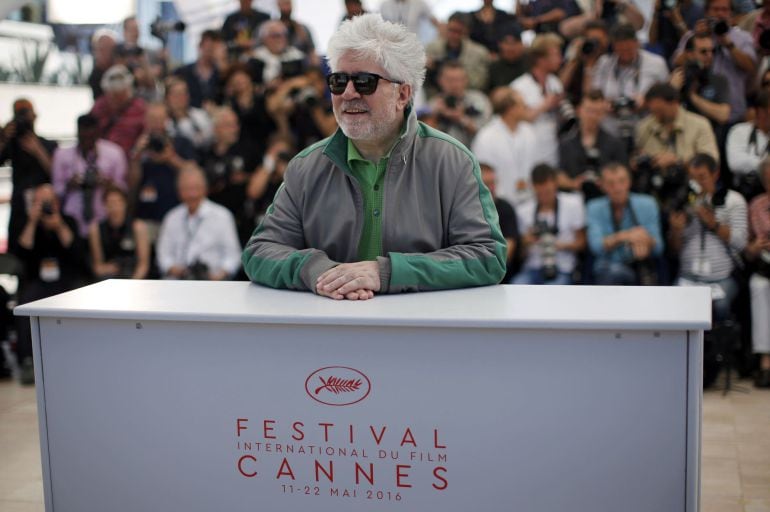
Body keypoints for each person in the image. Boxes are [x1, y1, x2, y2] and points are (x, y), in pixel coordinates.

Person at [242, 13, 506, 300]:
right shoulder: (306, 167)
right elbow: (260, 251)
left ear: (403, 94)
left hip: (423, 334)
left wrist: (388, 272)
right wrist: (318, 271)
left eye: (365, 82)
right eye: (339, 81)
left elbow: (487, 256)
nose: (349, 93)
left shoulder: (452, 161)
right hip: (330, 332)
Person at [14, 185, 88, 384]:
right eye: (40, 202)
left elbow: (77, 252)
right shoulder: (29, 223)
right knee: (25, 303)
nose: (45, 207)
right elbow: (21, 252)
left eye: (48, 202)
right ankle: (28, 360)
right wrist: (32, 221)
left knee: (76, 304)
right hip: (39, 281)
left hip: (65, 281)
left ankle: (77, 358)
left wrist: (59, 226)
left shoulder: (68, 221)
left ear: (57, 202)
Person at [669, 153, 747, 322]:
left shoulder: (733, 200)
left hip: (722, 279)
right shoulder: (682, 204)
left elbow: (741, 243)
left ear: (715, 174)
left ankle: (721, 347)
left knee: (719, 306)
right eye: (692, 178)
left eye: (702, 177)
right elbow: (674, 251)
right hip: (687, 278)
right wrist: (676, 231)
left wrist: (714, 224)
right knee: (672, 307)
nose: (697, 184)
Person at [635, 83, 719, 205]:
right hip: (655, 190)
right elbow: (638, 156)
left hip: (691, 189)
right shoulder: (644, 127)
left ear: (674, 103)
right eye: (653, 111)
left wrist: (677, 161)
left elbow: (711, 160)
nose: (656, 116)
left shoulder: (700, 125)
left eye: (660, 111)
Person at [156, 165, 242, 280]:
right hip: (177, 283)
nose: (192, 194)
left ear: (205, 188)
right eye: (186, 188)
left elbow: (233, 256)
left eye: (196, 188)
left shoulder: (222, 216)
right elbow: (163, 256)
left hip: (213, 284)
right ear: (179, 191)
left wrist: (217, 276)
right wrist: (177, 270)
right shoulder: (172, 217)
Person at [51, 114, 128, 239]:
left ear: (97, 133)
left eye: (91, 137)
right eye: (83, 136)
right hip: (72, 216)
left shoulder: (114, 153)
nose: (87, 140)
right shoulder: (62, 155)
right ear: (77, 133)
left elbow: (123, 190)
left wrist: (108, 184)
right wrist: (69, 185)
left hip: (104, 217)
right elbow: (56, 190)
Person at [590, 23, 670, 141]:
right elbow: (594, 94)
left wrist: (647, 102)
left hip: (646, 127)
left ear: (637, 43)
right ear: (613, 46)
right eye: (620, 49)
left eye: (629, 49)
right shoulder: (604, 63)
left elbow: (667, 97)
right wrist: (605, 103)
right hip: (611, 127)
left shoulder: (656, 63)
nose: (625, 53)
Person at [586, 163, 664, 285]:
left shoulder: (648, 204)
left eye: (622, 181)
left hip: (640, 267)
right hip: (607, 269)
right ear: (602, 186)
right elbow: (596, 246)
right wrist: (626, 236)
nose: (617, 188)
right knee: (612, 272)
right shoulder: (594, 207)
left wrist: (646, 241)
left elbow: (659, 247)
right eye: (611, 184)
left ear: (629, 182)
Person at [130, 103, 196, 241]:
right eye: (152, 119)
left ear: (167, 120)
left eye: (160, 119)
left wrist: (171, 157)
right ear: (146, 121)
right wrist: (136, 156)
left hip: (177, 212)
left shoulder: (181, 142)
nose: (156, 123)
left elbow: (194, 173)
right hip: (147, 215)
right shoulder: (140, 145)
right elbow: (132, 182)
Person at [0, 99, 57, 255]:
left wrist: (37, 151)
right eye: (20, 115)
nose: (24, 119)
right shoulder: (11, 145)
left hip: (44, 206)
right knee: (18, 252)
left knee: (46, 251)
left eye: (26, 114)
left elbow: (57, 174)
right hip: (19, 208)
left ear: (35, 116)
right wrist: (4, 138)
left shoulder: (47, 144)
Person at [512, 164, 586, 285]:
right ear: (533, 187)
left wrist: (559, 245)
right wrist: (526, 242)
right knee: (517, 285)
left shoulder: (573, 203)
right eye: (539, 192)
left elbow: (582, 243)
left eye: (547, 191)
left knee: (554, 290)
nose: (544, 196)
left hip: (563, 268)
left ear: (555, 184)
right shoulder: (523, 210)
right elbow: (520, 255)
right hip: (533, 267)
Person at [471, 87, 537, 207]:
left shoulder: (529, 132)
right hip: (500, 206)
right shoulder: (486, 137)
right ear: (511, 109)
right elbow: (483, 175)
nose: (526, 107)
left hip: (530, 202)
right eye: (522, 104)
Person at [558, 89, 627, 197]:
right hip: (574, 199)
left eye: (598, 112)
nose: (593, 116)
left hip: (605, 199)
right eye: (589, 111)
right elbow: (559, 174)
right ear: (579, 110)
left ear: (604, 114)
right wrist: (574, 183)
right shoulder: (566, 143)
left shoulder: (615, 143)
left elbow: (624, 175)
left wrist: (607, 182)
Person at [511, 33, 565, 167]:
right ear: (541, 59)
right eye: (555, 55)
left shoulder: (555, 82)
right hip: (528, 152)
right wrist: (546, 104)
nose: (560, 59)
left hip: (552, 150)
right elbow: (518, 118)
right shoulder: (519, 86)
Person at [669, 31, 730, 137]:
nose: (709, 55)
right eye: (703, 52)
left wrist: (693, 97)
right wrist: (672, 90)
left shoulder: (719, 80)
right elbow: (663, 115)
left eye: (712, 51)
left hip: (708, 138)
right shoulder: (678, 78)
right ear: (690, 54)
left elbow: (723, 115)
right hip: (681, 137)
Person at [89, 186, 150, 280]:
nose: (115, 207)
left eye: (118, 202)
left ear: (125, 203)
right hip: (109, 277)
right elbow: (97, 267)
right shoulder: (96, 229)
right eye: (110, 203)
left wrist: (133, 282)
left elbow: (143, 265)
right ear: (104, 205)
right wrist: (106, 269)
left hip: (133, 276)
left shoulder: (138, 227)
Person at [745, 158, 770, 387]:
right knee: (758, 285)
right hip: (765, 266)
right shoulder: (756, 205)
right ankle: (765, 361)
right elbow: (748, 249)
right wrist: (754, 248)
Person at [429, 61, 492, 148]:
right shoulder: (434, 104)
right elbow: (426, 137)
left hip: (473, 153)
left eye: (459, 80)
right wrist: (436, 115)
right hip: (443, 154)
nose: (455, 84)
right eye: (450, 80)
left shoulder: (478, 100)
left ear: (466, 80)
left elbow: (486, 133)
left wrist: (461, 118)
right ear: (440, 81)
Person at [425, 12, 491, 94]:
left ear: (467, 31)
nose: (454, 35)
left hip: (468, 95)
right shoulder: (432, 49)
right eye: (451, 30)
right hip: (435, 94)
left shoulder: (479, 53)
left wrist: (455, 79)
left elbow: (480, 82)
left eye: (459, 32)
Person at [90, 64, 147, 157]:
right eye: (113, 96)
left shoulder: (140, 108)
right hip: (103, 158)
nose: (117, 101)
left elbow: (146, 133)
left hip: (129, 158)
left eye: (121, 97)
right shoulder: (99, 107)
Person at [726, 89, 770, 200]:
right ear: (760, 111)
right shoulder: (739, 131)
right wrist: (764, 165)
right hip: (744, 192)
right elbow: (735, 163)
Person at [480, 162, 520, 282]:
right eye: (486, 184)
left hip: (500, 272)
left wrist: (488, 268)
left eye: (493, 183)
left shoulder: (505, 208)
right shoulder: (464, 210)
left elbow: (510, 247)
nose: (491, 188)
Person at [173, 30, 227, 109]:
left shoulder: (221, 72)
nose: (210, 51)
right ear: (200, 46)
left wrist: (221, 61)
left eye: (213, 48)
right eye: (208, 47)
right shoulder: (183, 71)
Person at [249, 20, 307, 87]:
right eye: (276, 35)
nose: (280, 39)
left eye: (284, 35)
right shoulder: (256, 57)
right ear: (264, 38)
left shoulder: (297, 56)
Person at [164, 76, 214, 151]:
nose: (180, 97)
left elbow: (212, 138)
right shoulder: (164, 122)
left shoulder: (201, 115)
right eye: (176, 94)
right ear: (167, 98)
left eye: (184, 93)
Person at [486, 26, 528, 92]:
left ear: (521, 45)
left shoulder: (531, 64)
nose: (510, 48)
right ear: (500, 45)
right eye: (507, 43)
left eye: (514, 43)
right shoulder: (494, 68)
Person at [277, 0, 319, 65]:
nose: (286, 8)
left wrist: (314, 66)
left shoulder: (302, 29)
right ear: (278, 6)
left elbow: (312, 50)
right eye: (284, 4)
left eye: (288, 4)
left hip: (301, 66)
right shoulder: (272, 29)